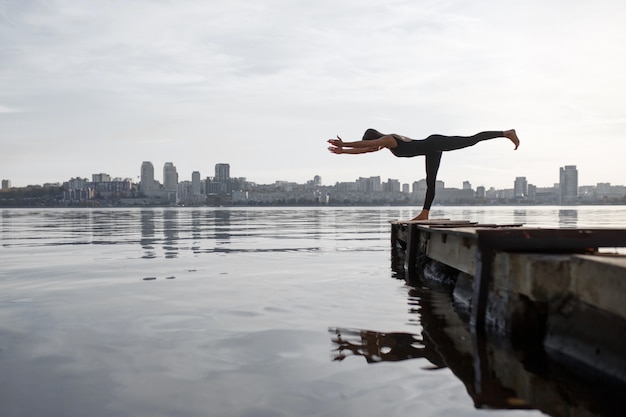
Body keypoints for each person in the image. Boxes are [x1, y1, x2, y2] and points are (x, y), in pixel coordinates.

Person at [327, 128, 520, 221]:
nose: (373, 148)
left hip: (434, 143)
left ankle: (506, 133)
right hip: (431, 149)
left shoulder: (388, 139)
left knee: (470, 140)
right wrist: (343, 151)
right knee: (431, 183)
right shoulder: (386, 142)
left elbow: (366, 146)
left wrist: (344, 145)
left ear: (375, 138)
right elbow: (366, 149)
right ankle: (425, 214)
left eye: (371, 143)